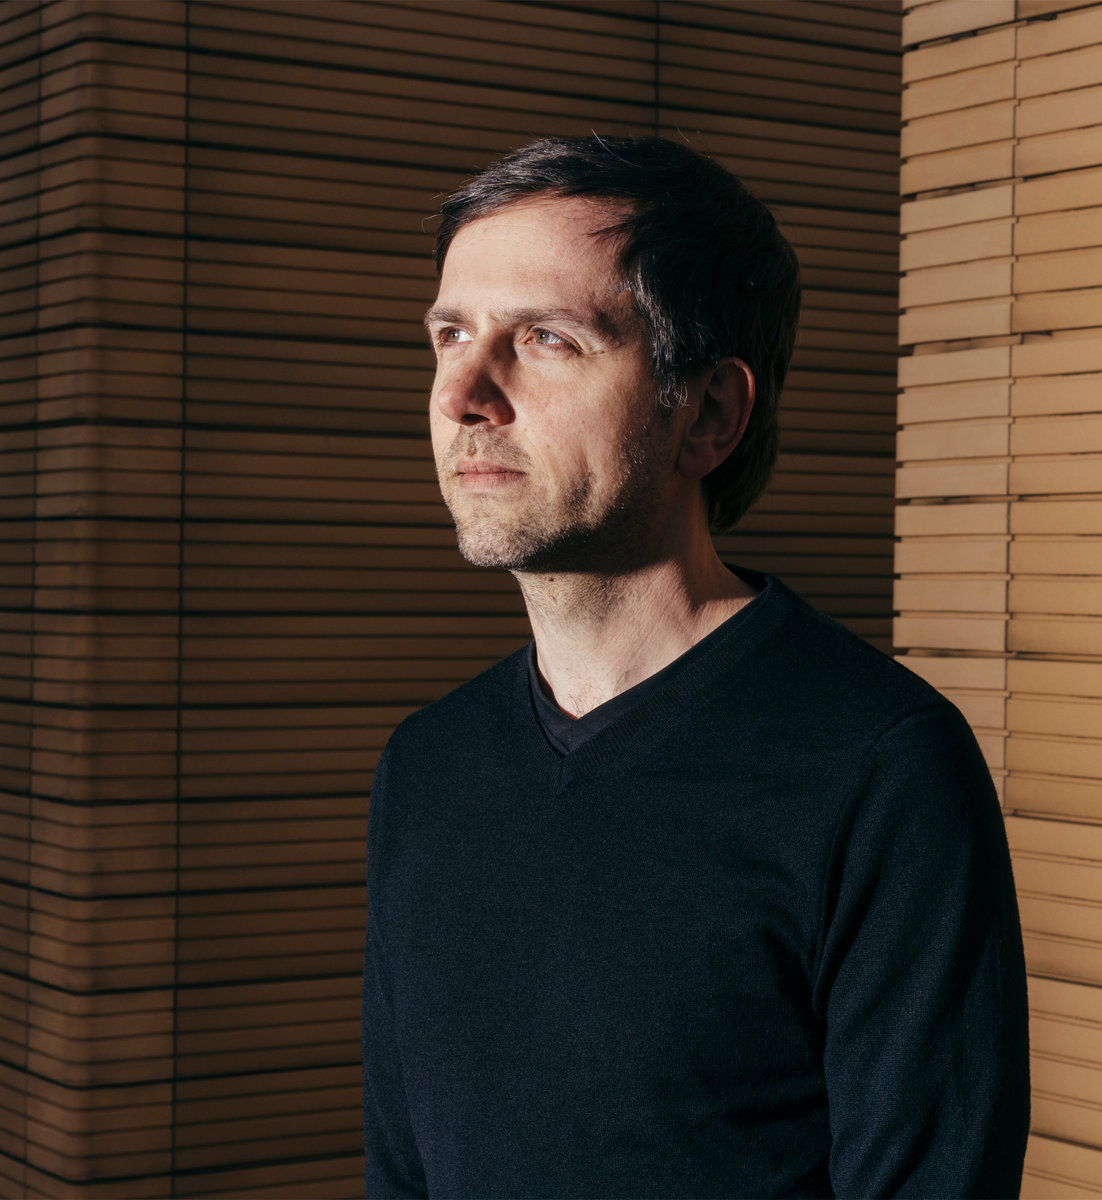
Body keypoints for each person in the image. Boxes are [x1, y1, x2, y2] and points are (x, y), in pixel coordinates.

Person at [362, 135, 1029, 1199]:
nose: (464, 395)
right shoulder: (427, 767)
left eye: (546, 338)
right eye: (451, 335)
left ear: (709, 412)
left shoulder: (880, 771)